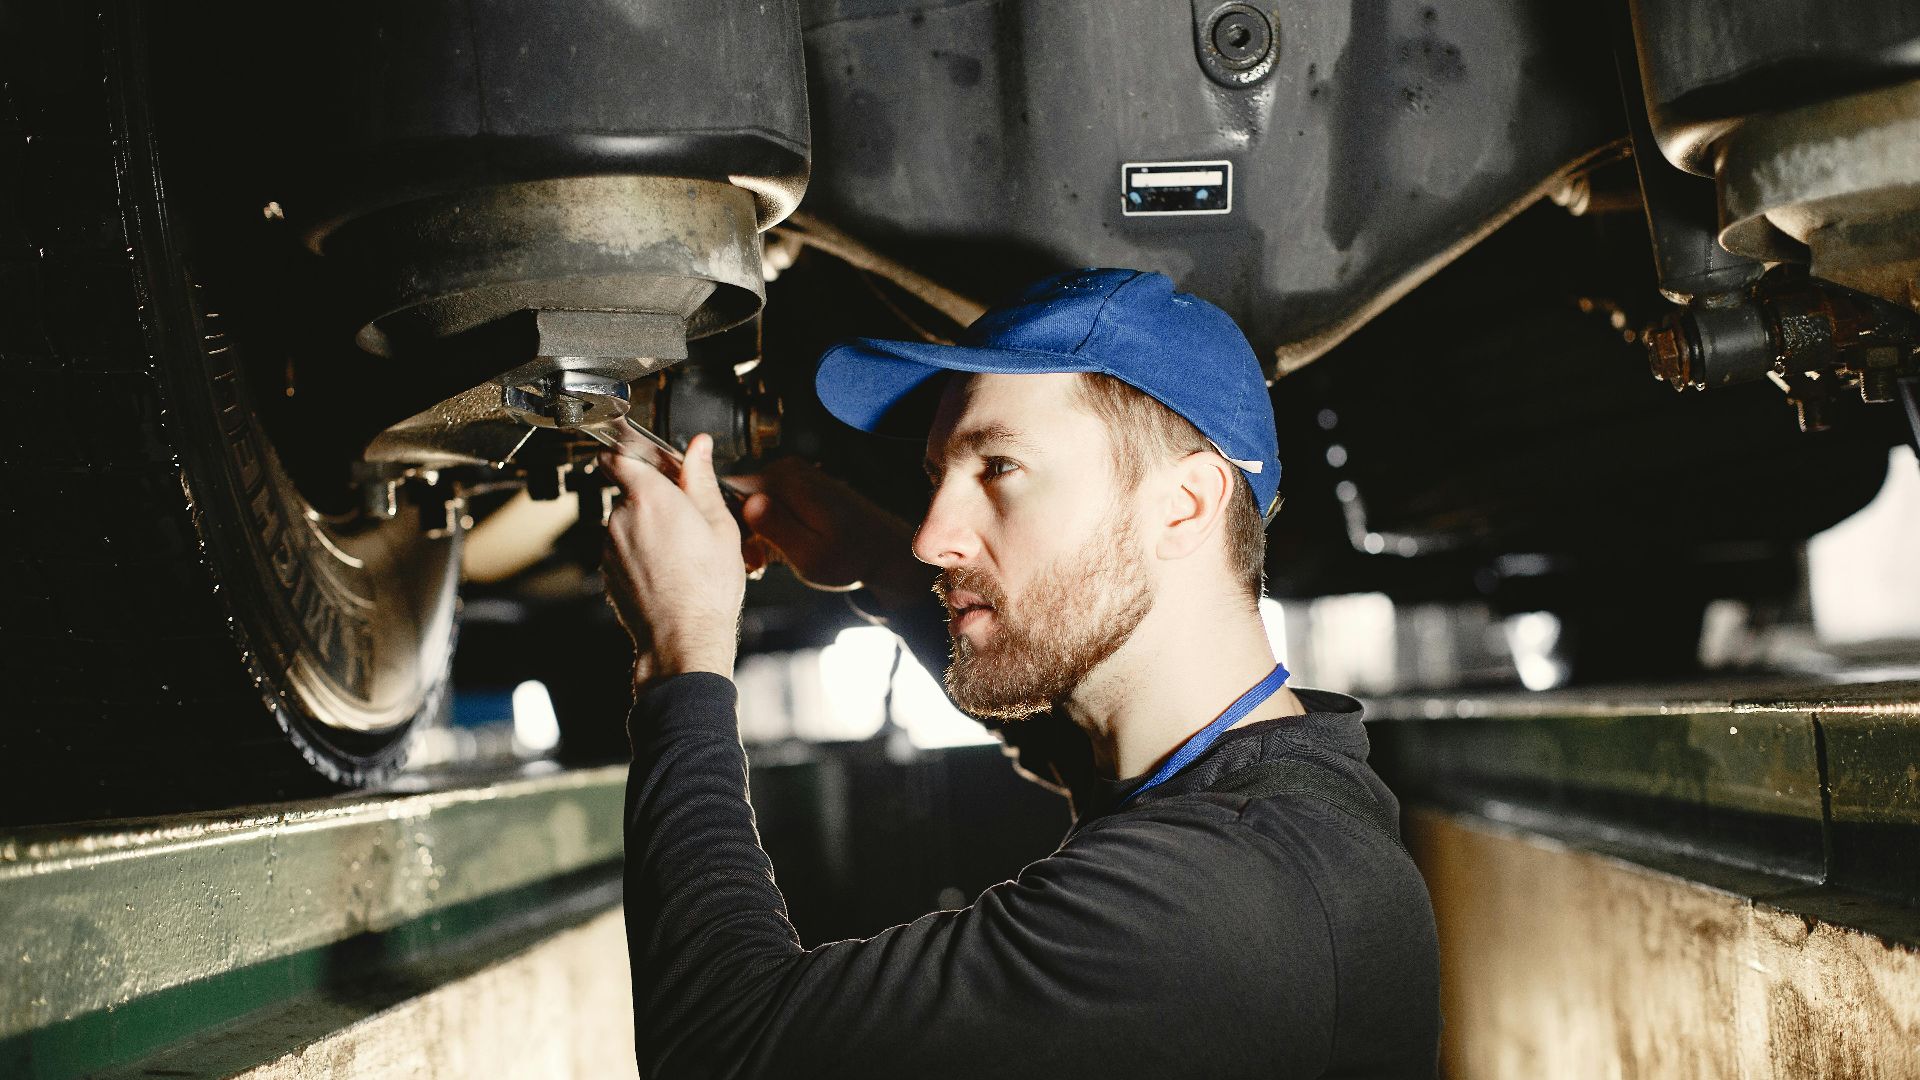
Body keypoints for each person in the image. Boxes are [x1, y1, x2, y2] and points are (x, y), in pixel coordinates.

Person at [599, 268, 1441, 1078]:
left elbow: (721, 1049)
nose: (933, 536)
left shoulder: (1227, 901)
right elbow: (1066, 748)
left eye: (998, 468)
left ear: (1184, 505)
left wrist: (682, 653)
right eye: (939, 477)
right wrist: (875, 563)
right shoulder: (1276, 789)